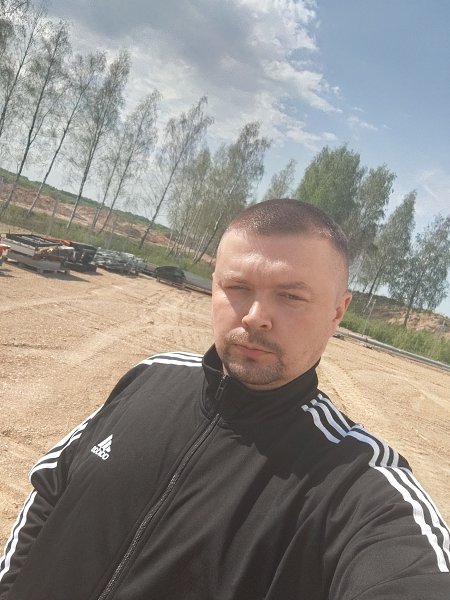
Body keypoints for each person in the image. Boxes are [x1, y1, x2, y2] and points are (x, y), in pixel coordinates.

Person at [0, 198, 449, 599]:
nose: (255, 317)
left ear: (337, 312)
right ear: (214, 285)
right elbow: (50, 491)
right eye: (237, 287)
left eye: (291, 296)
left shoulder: (356, 481)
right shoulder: (151, 376)